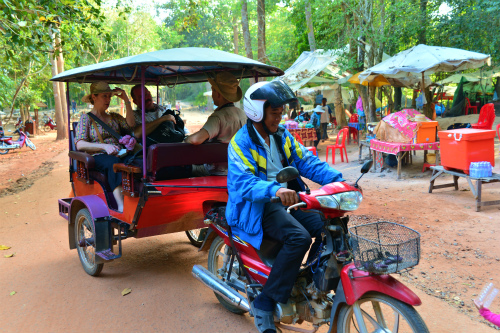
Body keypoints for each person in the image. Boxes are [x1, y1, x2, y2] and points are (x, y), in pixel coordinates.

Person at [226, 80, 343, 333]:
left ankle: (307, 282)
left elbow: (307, 161)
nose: (278, 119)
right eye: (274, 114)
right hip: (258, 205)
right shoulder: (240, 143)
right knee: (298, 238)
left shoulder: (281, 136)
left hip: (288, 198)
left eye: (280, 113)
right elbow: (244, 183)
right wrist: (275, 190)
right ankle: (264, 302)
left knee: (329, 227)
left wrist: (339, 181)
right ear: (257, 112)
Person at [74, 81, 137, 213]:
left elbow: (131, 125)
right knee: (113, 163)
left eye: (109, 96)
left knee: (137, 160)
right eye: (104, 96)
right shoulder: (86, 118)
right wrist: (104, 147)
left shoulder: (114, 117)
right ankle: (121, 205)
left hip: (120, 153)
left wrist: (126, 100)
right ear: (94, 97)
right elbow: (79, 144)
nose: (108, 99)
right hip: (98, 156)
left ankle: (137, 198)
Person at [185, 72, 246, 145]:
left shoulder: (218, 117)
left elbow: (195, 140)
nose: (212, 95)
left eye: (213, 90)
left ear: (218, 94)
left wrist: (186, 139)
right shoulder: (244, 114)